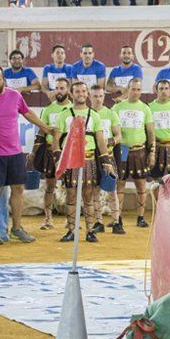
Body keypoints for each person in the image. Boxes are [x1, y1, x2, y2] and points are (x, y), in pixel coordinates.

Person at [52, 81, 117, 243]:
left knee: (88, 197)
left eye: (83, 91)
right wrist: (58, 161)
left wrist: (106, 161)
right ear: (71, 94)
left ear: (87, 94)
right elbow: (56, 140)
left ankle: (89, 231)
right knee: (71, 196)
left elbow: (101, 142)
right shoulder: (64, 115)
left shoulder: (94, 116)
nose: (81, 94)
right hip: (71, 161)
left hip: (89, 161)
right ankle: (71, 231)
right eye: (77, 92)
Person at [0, 65, 49, 245]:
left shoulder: (14, 96)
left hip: (15, 153)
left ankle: (17, 228)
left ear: (4, 80)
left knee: (18, 190)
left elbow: (27, 113)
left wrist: (45, 128)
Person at [112, 78, 154, 232]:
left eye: (138, 89)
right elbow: (112, 129)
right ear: (127, 89)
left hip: (139, 151)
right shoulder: (117, 107)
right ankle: (118, 218)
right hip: (122, 150)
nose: (136, 92)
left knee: (141, 184)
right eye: (133, 89)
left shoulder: (145, 108)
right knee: (120, 184)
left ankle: (141, 218)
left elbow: (150, 132)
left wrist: (152, 152)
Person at [31, 77, 71, 230]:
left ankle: (70, 220)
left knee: (70, 187)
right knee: (49, 186)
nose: (59, 91)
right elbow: (41, 133)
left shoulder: (73, 109)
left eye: (62, 88)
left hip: (67, 153)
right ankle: (48, 219)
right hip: (49, 152)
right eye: (57, 88)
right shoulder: (47, 110)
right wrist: (34, 152)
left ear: (68, 89)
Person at [89, 84, 122, 234]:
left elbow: (119, 135)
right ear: (90, 97)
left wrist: (112, 141)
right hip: (92, 157)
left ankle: (116, 222)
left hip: (108, 156)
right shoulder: (86, 114)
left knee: (112, 190)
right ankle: (98, 222)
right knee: (95, 191)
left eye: (101, 96)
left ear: (104, 97)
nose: (98, 99)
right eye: (95, 96)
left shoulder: (110, 113)